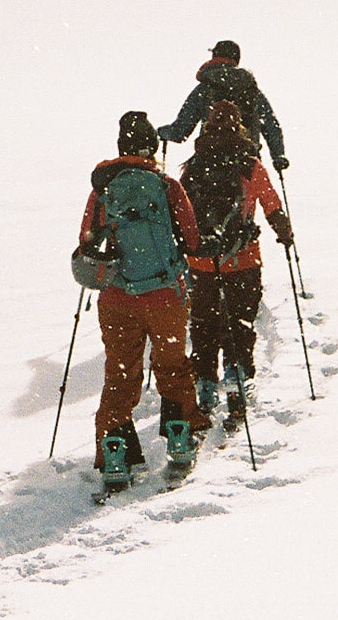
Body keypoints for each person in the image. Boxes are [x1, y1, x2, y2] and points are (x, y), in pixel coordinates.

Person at [75, 110, 210, 487]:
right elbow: (192, 239)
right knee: (172, 365)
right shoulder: (166, 186)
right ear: (151, 146)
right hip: (165, 295)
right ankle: (180, 437)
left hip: (118, 298)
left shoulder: (104, 189)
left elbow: (87, 242)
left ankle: (116, 451)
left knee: (121, 372)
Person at [180, 100, 293, 415]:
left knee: (203, 321)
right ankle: (237, 373)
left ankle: (204, 381)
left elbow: (184, 213)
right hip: (242, 259)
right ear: (240, 126)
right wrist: (285, 234)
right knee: (239, 320)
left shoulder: (194, 164)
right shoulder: (250, 165)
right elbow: (271, 205)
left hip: (201, 261)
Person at [157, 38, 288, 171]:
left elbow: (180, 132)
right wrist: (278, 156)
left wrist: (162, 133)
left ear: (214, 56)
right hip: (246, 163)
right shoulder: (252, 90)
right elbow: (271, 126)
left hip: (209, 162)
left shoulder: (204, 89)